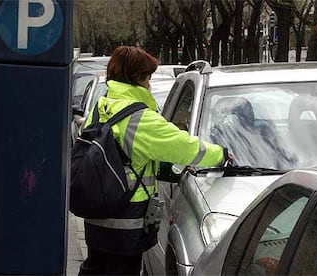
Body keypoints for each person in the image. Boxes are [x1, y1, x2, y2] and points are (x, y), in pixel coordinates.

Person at [78, 46, 232, 275]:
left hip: (98, 212)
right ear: (136, 78)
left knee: (96, 268)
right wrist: (221, 154)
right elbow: (183, 147)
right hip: (126, 216)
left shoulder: (103, 106)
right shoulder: (139, 117)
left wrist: (164, 169)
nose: (149, 84)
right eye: (147, 77)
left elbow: (125, 153)